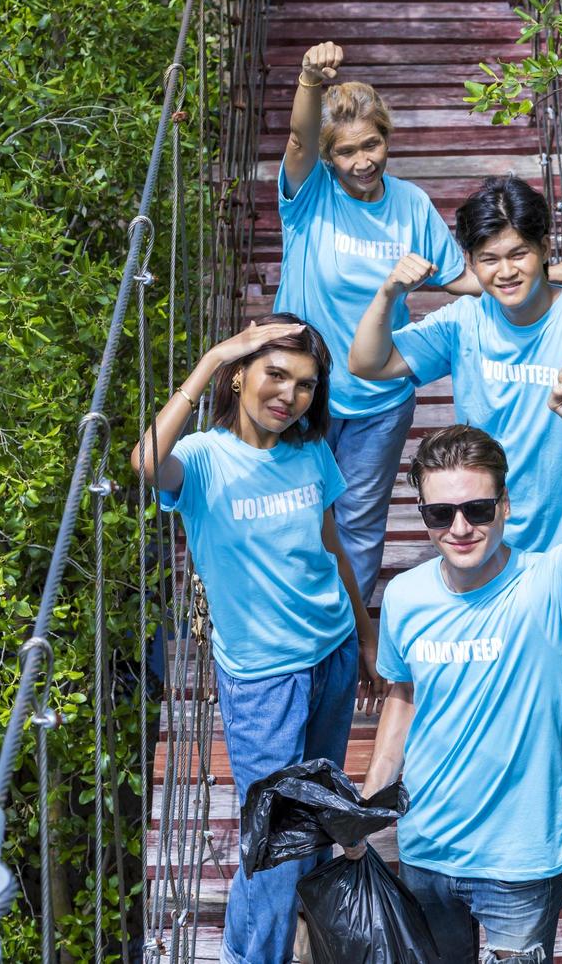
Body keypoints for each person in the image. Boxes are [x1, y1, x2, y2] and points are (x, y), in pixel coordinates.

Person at [277, 43, 562, 605]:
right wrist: (308, 79)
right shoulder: (309, 195)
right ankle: (299, 618)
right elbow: (301, 141)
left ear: (388, 139)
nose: (362, 161)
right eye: (347, 151)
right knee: (294, 511)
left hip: (378, 395)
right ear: (329, 158)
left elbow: (460, 277)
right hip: (304, 388)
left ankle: (352, 628)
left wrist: (543, 271)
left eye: (372, 144)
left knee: (358, 522)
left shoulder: (411, 204)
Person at [343, 369, 562, 963]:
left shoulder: (553, 585)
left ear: (505, 505)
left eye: (477, 508)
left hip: (518, 864)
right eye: (439, 514)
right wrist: (367, 806)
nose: (460, 528)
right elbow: (404, 697)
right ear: (421, 512)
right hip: (423, 849)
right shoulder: (404, 595)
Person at [132, 314, 385, 964]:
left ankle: (308, 930)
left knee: (318, 820)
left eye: (304, 385)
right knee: (274, 850)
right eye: (275, 375)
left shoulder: (310, 451)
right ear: (239, 374)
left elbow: (332, 545)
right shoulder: (203, 461)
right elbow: (144, 460)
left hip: (331, 659)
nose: (289, 396)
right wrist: (213, 354)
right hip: (264, 681)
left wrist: (363, 635)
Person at [348, 174, 562, 585]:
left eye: (519, 254)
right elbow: (368, 363)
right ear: (472, 264)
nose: (506, 272)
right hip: (479, 538)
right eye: (489, 259)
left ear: (545, 249)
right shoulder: (465, 320)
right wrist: (389, 293)